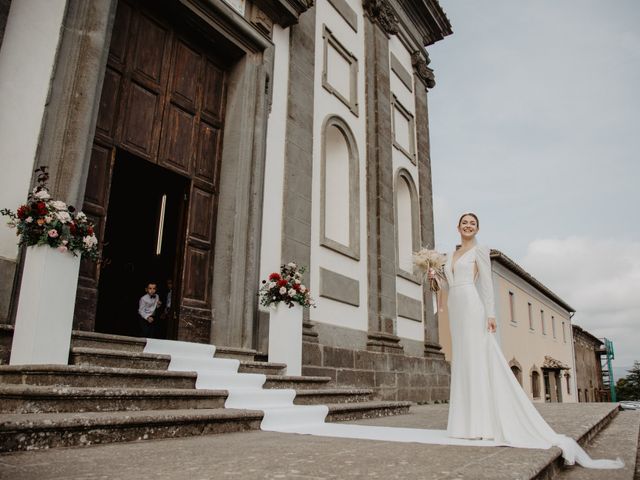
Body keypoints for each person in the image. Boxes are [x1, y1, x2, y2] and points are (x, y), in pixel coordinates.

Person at [429, 212, 623, 469]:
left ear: (477, 229)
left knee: (478, 361)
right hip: (456, 309)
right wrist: (434, 277)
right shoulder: (448, 257)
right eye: (464, 223)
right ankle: (463, 423)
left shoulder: (480, 251)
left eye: (472, 224)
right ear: (458, 227)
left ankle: (481, 424)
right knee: (463, 362)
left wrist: (491, 314)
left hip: (472, 307)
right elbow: (446, 286)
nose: (468, 226)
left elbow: (486, 284)